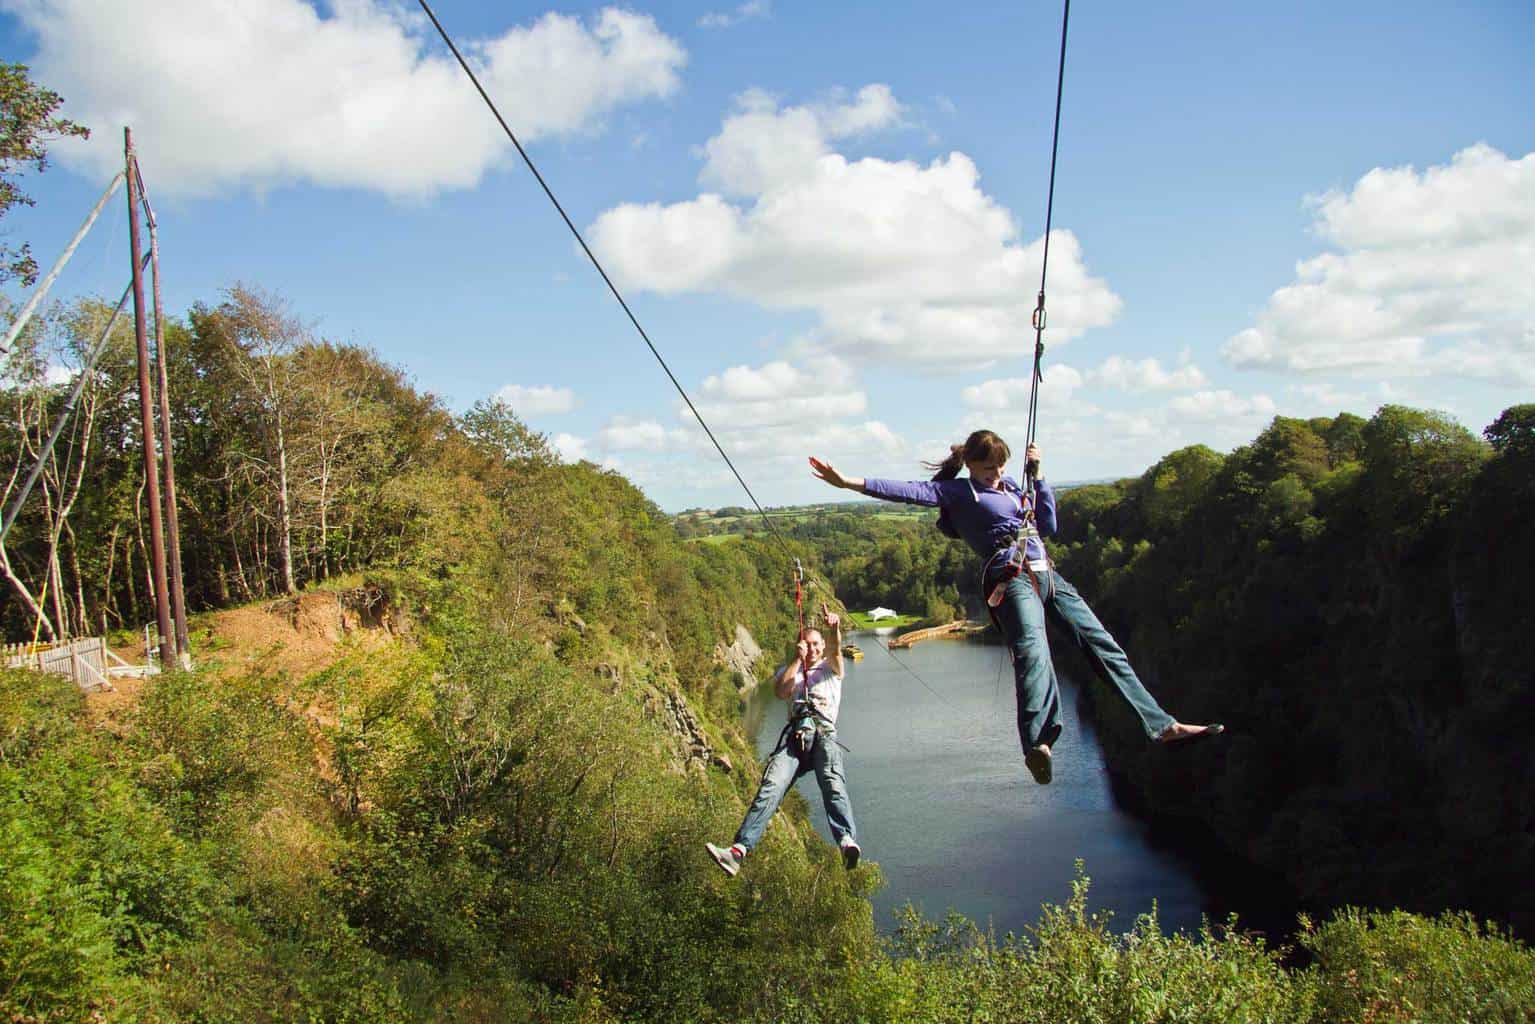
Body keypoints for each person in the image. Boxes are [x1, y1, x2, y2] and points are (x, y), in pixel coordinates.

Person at [808, 430, 1221, 786]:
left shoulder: (1014, 489)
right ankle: (1039, 742)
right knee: (1033, 649)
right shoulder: (959, 492)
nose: (997, 475)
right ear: (970, 463)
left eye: (1001, 468)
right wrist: (848, 482)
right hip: (1012, 579)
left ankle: (1162, 724)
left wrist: (1038, 479)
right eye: (989, 468)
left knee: (1103, 645)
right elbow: (906, 491)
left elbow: (1049, 526)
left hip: (1047, 575)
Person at [706, 603, 861, 876]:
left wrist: (834, 628)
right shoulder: (788, 670)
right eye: (806, 645)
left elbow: (837, 649)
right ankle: (738, 851)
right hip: (796, 737)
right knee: (771, 786)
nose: (811, 649)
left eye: (815, 644)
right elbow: (780, 692)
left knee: (832, 783)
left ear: (822, 647)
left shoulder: (831, 668)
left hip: (823, 733)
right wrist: (794, 661)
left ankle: (846, 840)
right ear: (799, 647)